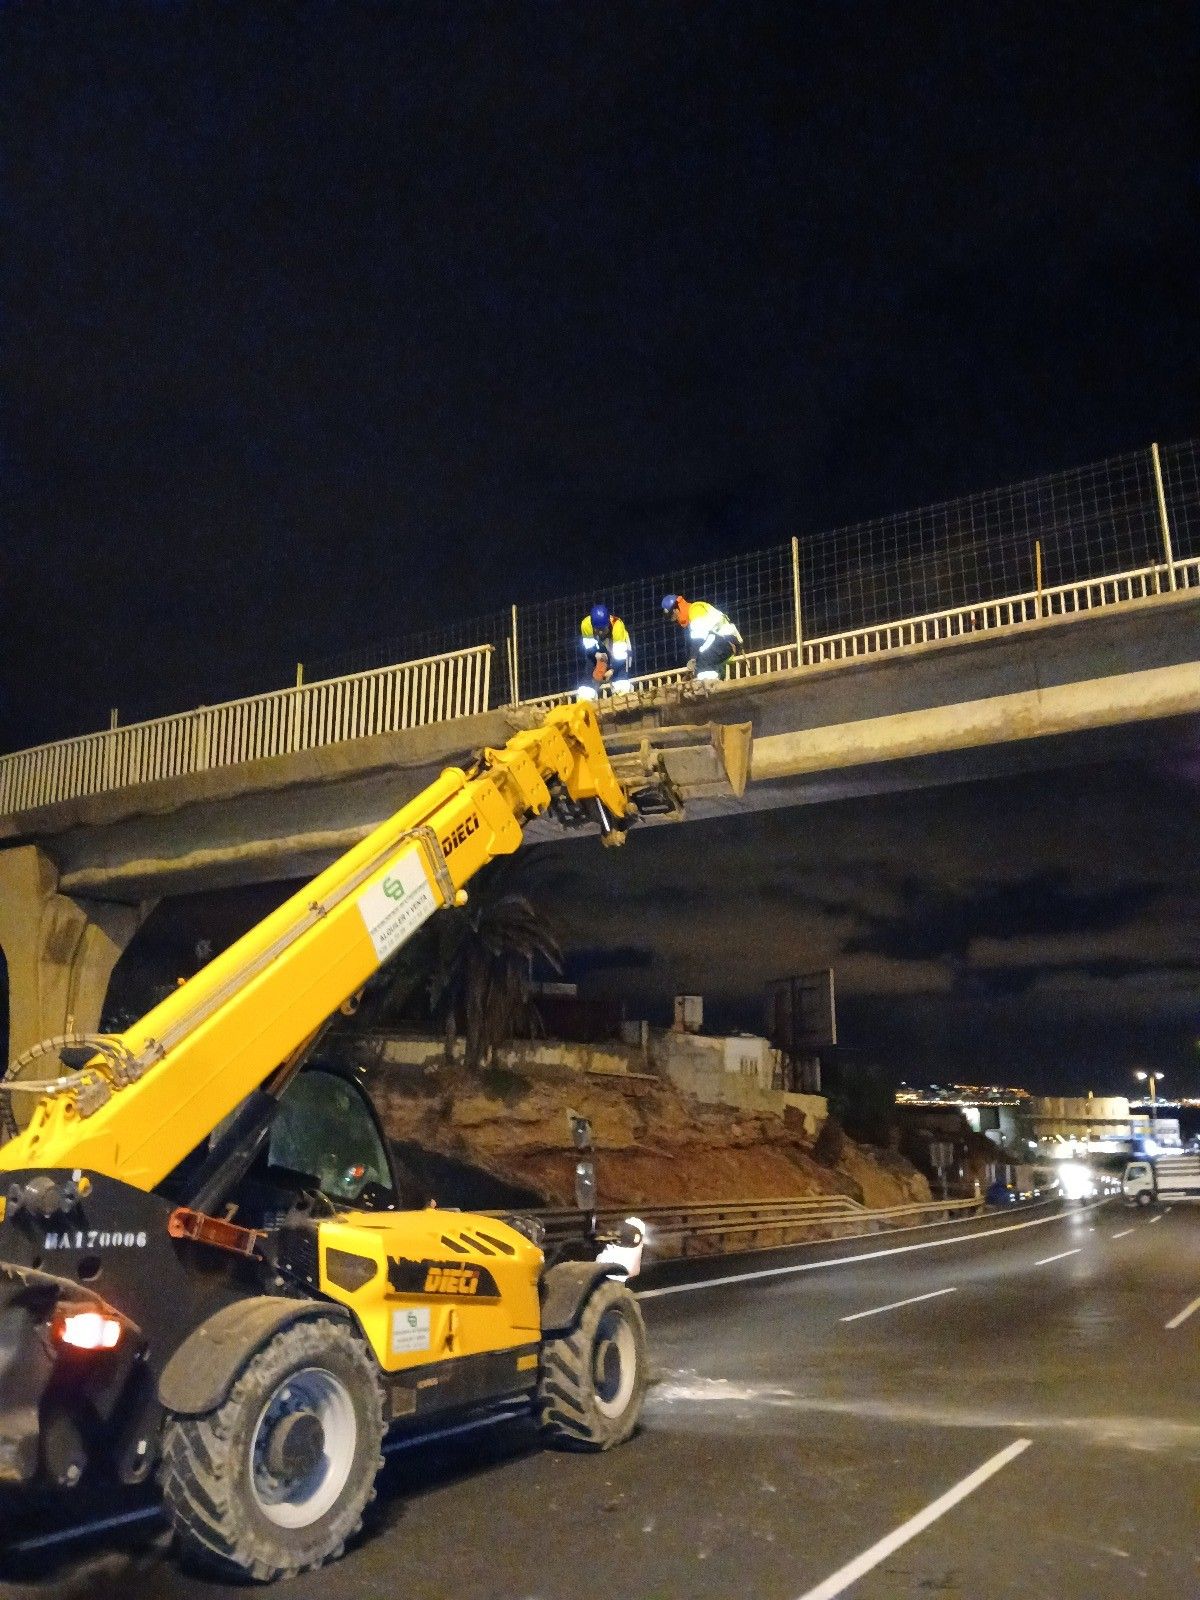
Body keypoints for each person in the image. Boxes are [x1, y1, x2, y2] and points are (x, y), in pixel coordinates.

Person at [660, 594, 742, 680]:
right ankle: (708, 680)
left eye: (673, 616)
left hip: (725, 641)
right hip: (725, 642)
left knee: (703, 658)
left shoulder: (695, 610)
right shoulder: (694, 613)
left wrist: (693, 659)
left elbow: (698, 638)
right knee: (701, 659)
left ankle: (707, 683)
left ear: (676, 610)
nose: (676, 620)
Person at [577, 603, 633, 700]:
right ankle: (587, 695)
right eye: (598, 629)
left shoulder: (617, 626)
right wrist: (596, 654)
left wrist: (611, 670)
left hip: (616, 645)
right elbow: (589, 648)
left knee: (620, 680)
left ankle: (622, 692)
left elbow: (620, 656)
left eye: (603, 629)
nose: (601, 632)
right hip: (598, 647)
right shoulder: (586, 625)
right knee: (589, 671)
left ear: (608, 622)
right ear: (593, 625)